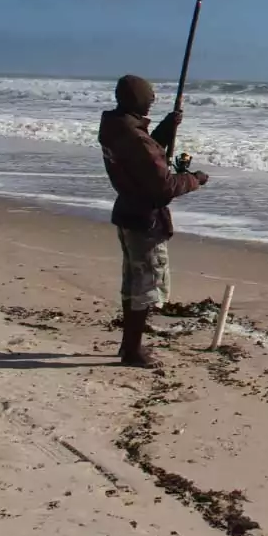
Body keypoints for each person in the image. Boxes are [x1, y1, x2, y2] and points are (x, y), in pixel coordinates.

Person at [98, 75, 209, 367]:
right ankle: (133, 351)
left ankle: (127, 345)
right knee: (146, 288)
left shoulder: (115, 128)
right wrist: (193, 179)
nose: (153, 100)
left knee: (133, 283)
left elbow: (143, 157)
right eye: (149, 96)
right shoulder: (134, 138)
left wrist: (165, 126)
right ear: (136, 100)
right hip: (145, 219)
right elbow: (163, 186)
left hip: (127, 211)